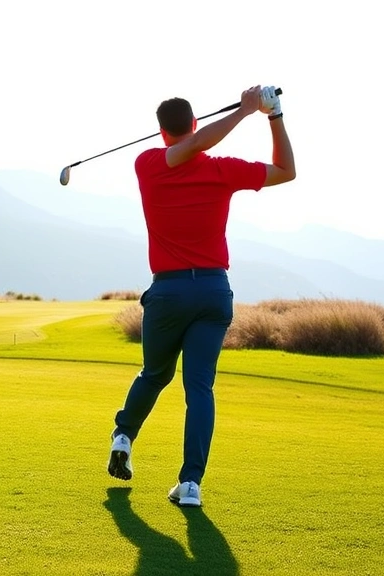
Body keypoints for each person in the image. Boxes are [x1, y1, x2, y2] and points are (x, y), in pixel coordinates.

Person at [106, 85, 295, 507]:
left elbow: (190, 146)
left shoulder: (148, 163)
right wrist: (269, 114)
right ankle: (190, 484)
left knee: (155, 374)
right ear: (192, 124)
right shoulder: (220, 168)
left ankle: (124, 434)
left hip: (169, 290)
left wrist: (251, 112)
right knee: (200, 390)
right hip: (212, 291)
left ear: (161, 132)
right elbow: (286, 170)